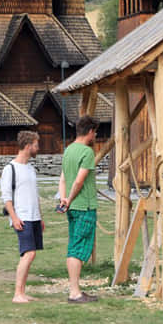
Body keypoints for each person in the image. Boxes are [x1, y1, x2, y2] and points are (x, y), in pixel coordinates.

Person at [58, 115, 99, 303]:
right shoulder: (87, 152)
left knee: (74, 245)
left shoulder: (68, 150)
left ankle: (75, 290)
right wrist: (71, 198)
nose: (95, 135)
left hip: (72, 207)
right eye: (95, 132)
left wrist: (64, 199)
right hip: (84, 206)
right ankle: (74, 292)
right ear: (90, 131)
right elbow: (79, 181)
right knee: (78, 248)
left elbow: (63, 179)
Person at [0, 130, 43, 303]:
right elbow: (6, 197)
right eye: (36, 145)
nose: (38, 148)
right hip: (22, 217)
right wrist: (14, 218)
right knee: (28, 253)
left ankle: (23, 292)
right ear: (28, 146)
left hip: (34, 217)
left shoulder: (31, 169)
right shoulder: (10, 169)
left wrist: (40, 217)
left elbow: (35, 194)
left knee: (30, 254)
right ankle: (17, 294)